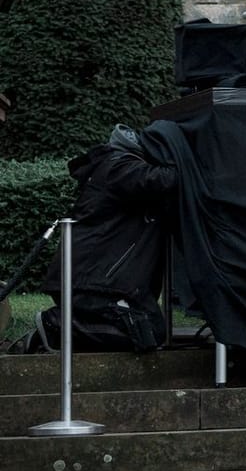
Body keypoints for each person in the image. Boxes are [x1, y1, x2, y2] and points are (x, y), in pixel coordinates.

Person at [15, 125, 178, 353]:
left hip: (95, 279)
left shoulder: (112, 165)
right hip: (94, 282)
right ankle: (56, 326)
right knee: (146, 331)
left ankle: (56, 336)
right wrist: (185, 157)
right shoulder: (119, 166)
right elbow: (164, 180)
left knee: (151, 329)